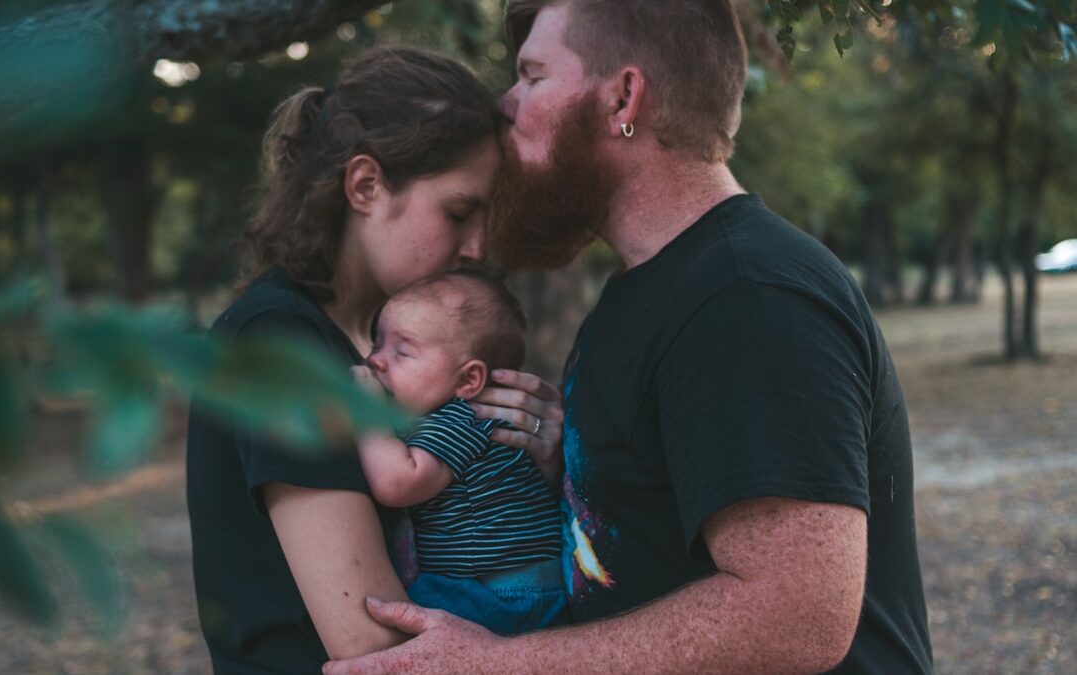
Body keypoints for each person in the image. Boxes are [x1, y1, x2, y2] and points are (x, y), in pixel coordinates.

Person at [325, 2, 934, 674]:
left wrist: (501, 663)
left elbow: (798, 616)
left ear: (623, 96)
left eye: (532, 76)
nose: (506, 102)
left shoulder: (746, 294)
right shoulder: (645, 291)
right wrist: (575, 469)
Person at [185, 46, 565, 674]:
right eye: (458, 212)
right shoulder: (280, 343)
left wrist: (537, 460)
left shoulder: (376, 350)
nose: (477, 247)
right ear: (365, 186)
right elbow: (374, 642)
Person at [351, 269, 566, 636]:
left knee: (401, 623)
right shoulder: (461, 414)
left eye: (402, 352)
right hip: (519, 587)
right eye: (377, 343)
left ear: (469, 380)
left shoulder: (465, 415)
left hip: (498, 592)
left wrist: (364, 412)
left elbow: (397, 483)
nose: (375, 360)